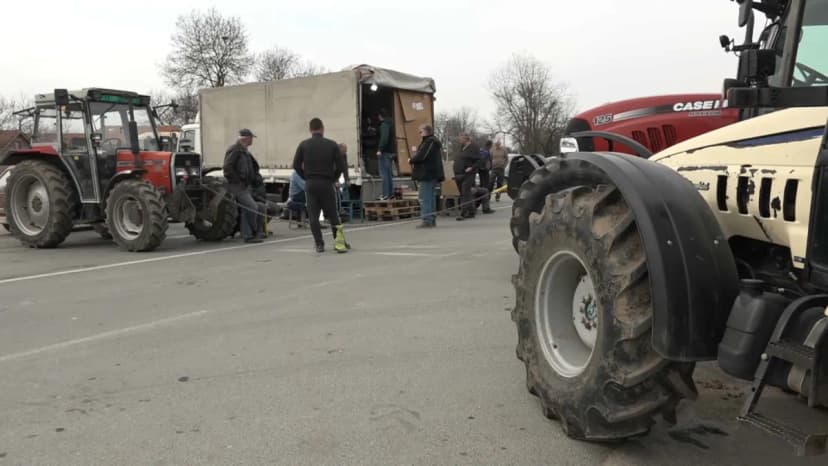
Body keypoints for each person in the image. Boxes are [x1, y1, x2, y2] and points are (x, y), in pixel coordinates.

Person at [292, 118, 349, 253]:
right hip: (326, 183)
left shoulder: (303, 145)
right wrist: (334, 178)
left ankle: (319, 244)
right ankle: (339, 241)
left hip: (311, 183)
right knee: (333, 214)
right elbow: (341, 166)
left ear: (310, 130)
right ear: (322, 128)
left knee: (313, 216)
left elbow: (295, 165)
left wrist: (306, 177)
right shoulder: (331, 145)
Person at [223, 128, 264, 243]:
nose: (252, 140)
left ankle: (251, 233)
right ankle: (250, 233)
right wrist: (237, 181)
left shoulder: (244, 151)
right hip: (238, 187)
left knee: (258, 207)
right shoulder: (235, 150)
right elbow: (227, 168)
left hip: (245, 186)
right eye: (251, 138)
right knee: (252, 207)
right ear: (246, 138)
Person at [409, 124, 444, 228]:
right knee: (430, 197)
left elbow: (422, 155)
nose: (420, 134)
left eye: (420, 132)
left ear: (425, 132)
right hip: (430, 173)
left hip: (427, 174)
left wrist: (411, 160)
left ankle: (427, 219)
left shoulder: (430, 142)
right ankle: (431, 219)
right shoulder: (431, 142)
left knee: (425, 198)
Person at [452, 133, 487, 220]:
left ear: (466, 139)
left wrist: (472, 167)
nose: (459, 140)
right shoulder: (462, 147)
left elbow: (480, 160)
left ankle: (464, 212)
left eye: (460, 138)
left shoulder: (474, 147)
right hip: (459, 173)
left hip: (469, 174)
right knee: (463, 192)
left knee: (465, 192)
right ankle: (471, 211)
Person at [376, 108, 396, 200]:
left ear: (380, 116)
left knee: (384, 174)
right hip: (391, 152)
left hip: (385, 152)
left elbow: (384, 137)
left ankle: (385, 195)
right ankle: (390, 194)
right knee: (388, 174)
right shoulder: (392, 123)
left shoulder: (384, 125)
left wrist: (380, 149)